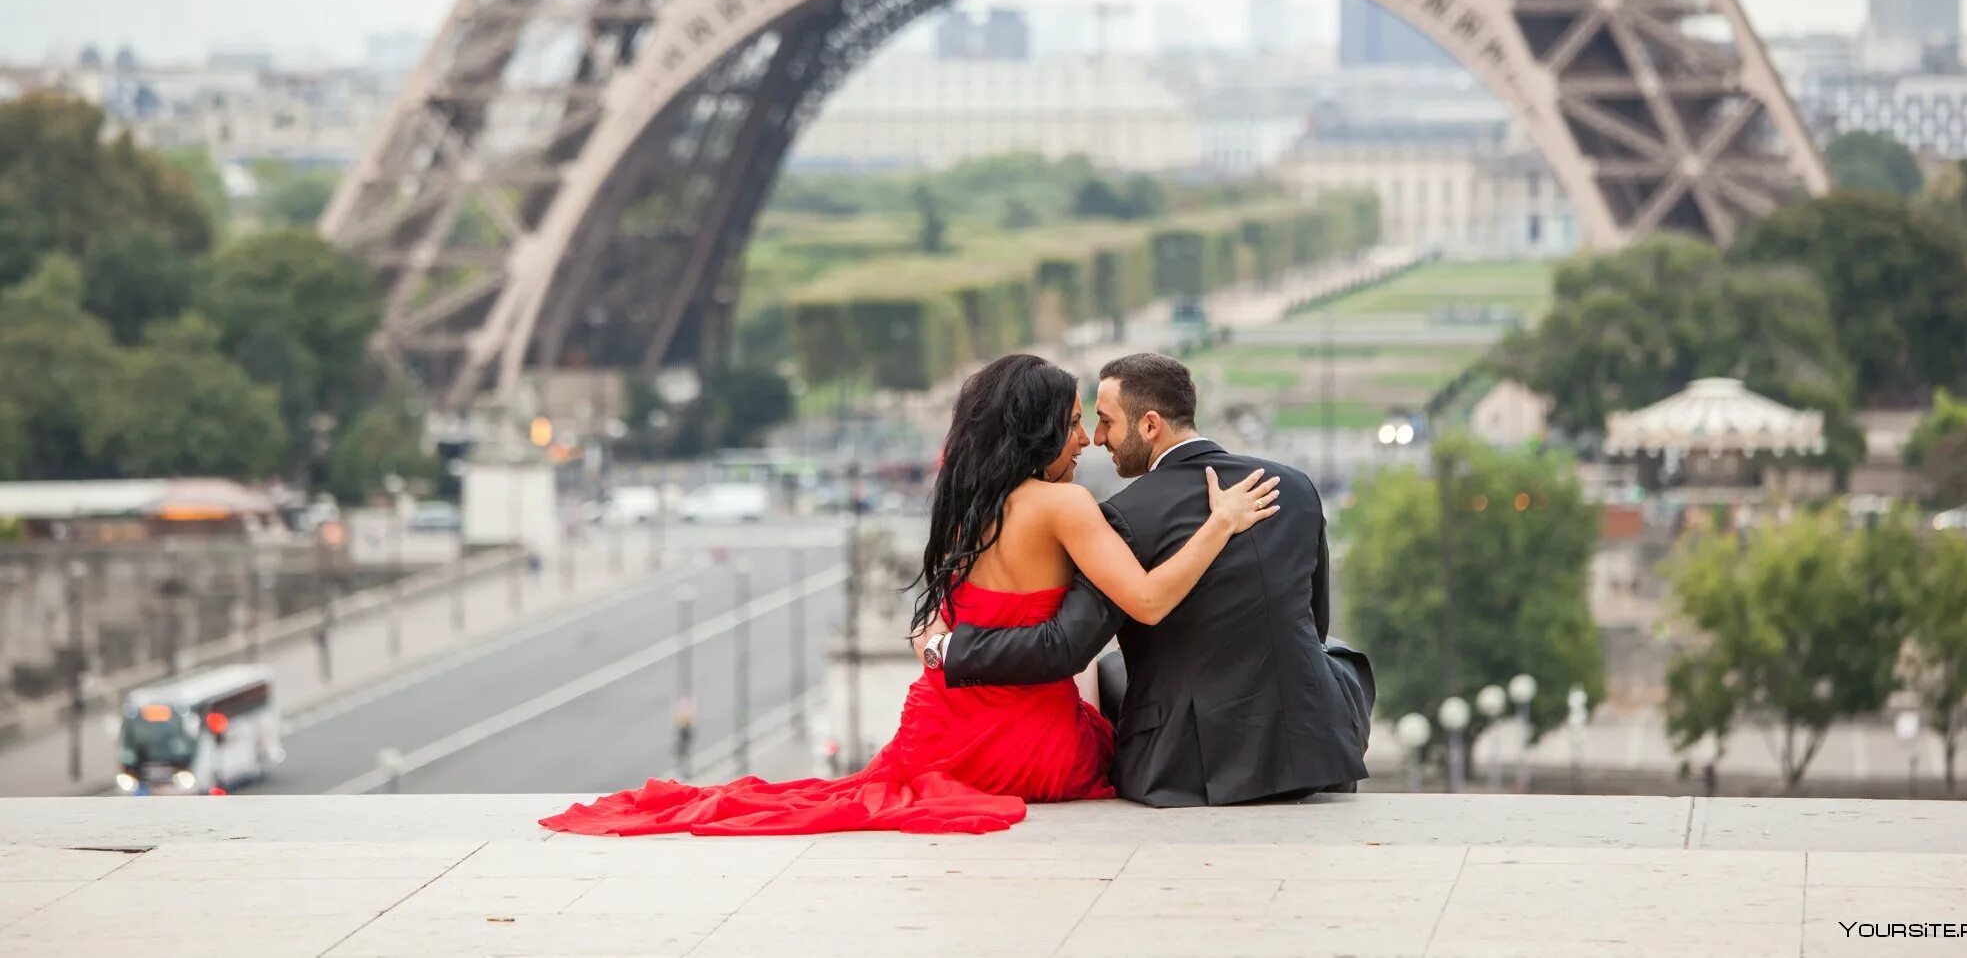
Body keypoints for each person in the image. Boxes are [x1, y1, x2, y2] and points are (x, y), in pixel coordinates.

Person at [538, 352, 1278, 837]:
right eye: (1077, 422)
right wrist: (1219, 524)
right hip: (1034, 748)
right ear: (1040, 429)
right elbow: (1145, 603)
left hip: (940, 734)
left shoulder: (969, 504)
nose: (1085, 439)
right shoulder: (1065, 508)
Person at [921, 352, 1373, 806]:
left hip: (1187, 767)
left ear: (1150, 425)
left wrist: (949, 649)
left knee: (1113, 668)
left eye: (1105, 422)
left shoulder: (1124, 515)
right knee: (1334, 652)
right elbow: (1313, 625)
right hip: (1312, 746)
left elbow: (1065, 647)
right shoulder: (1293, 487)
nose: (1096, 439)